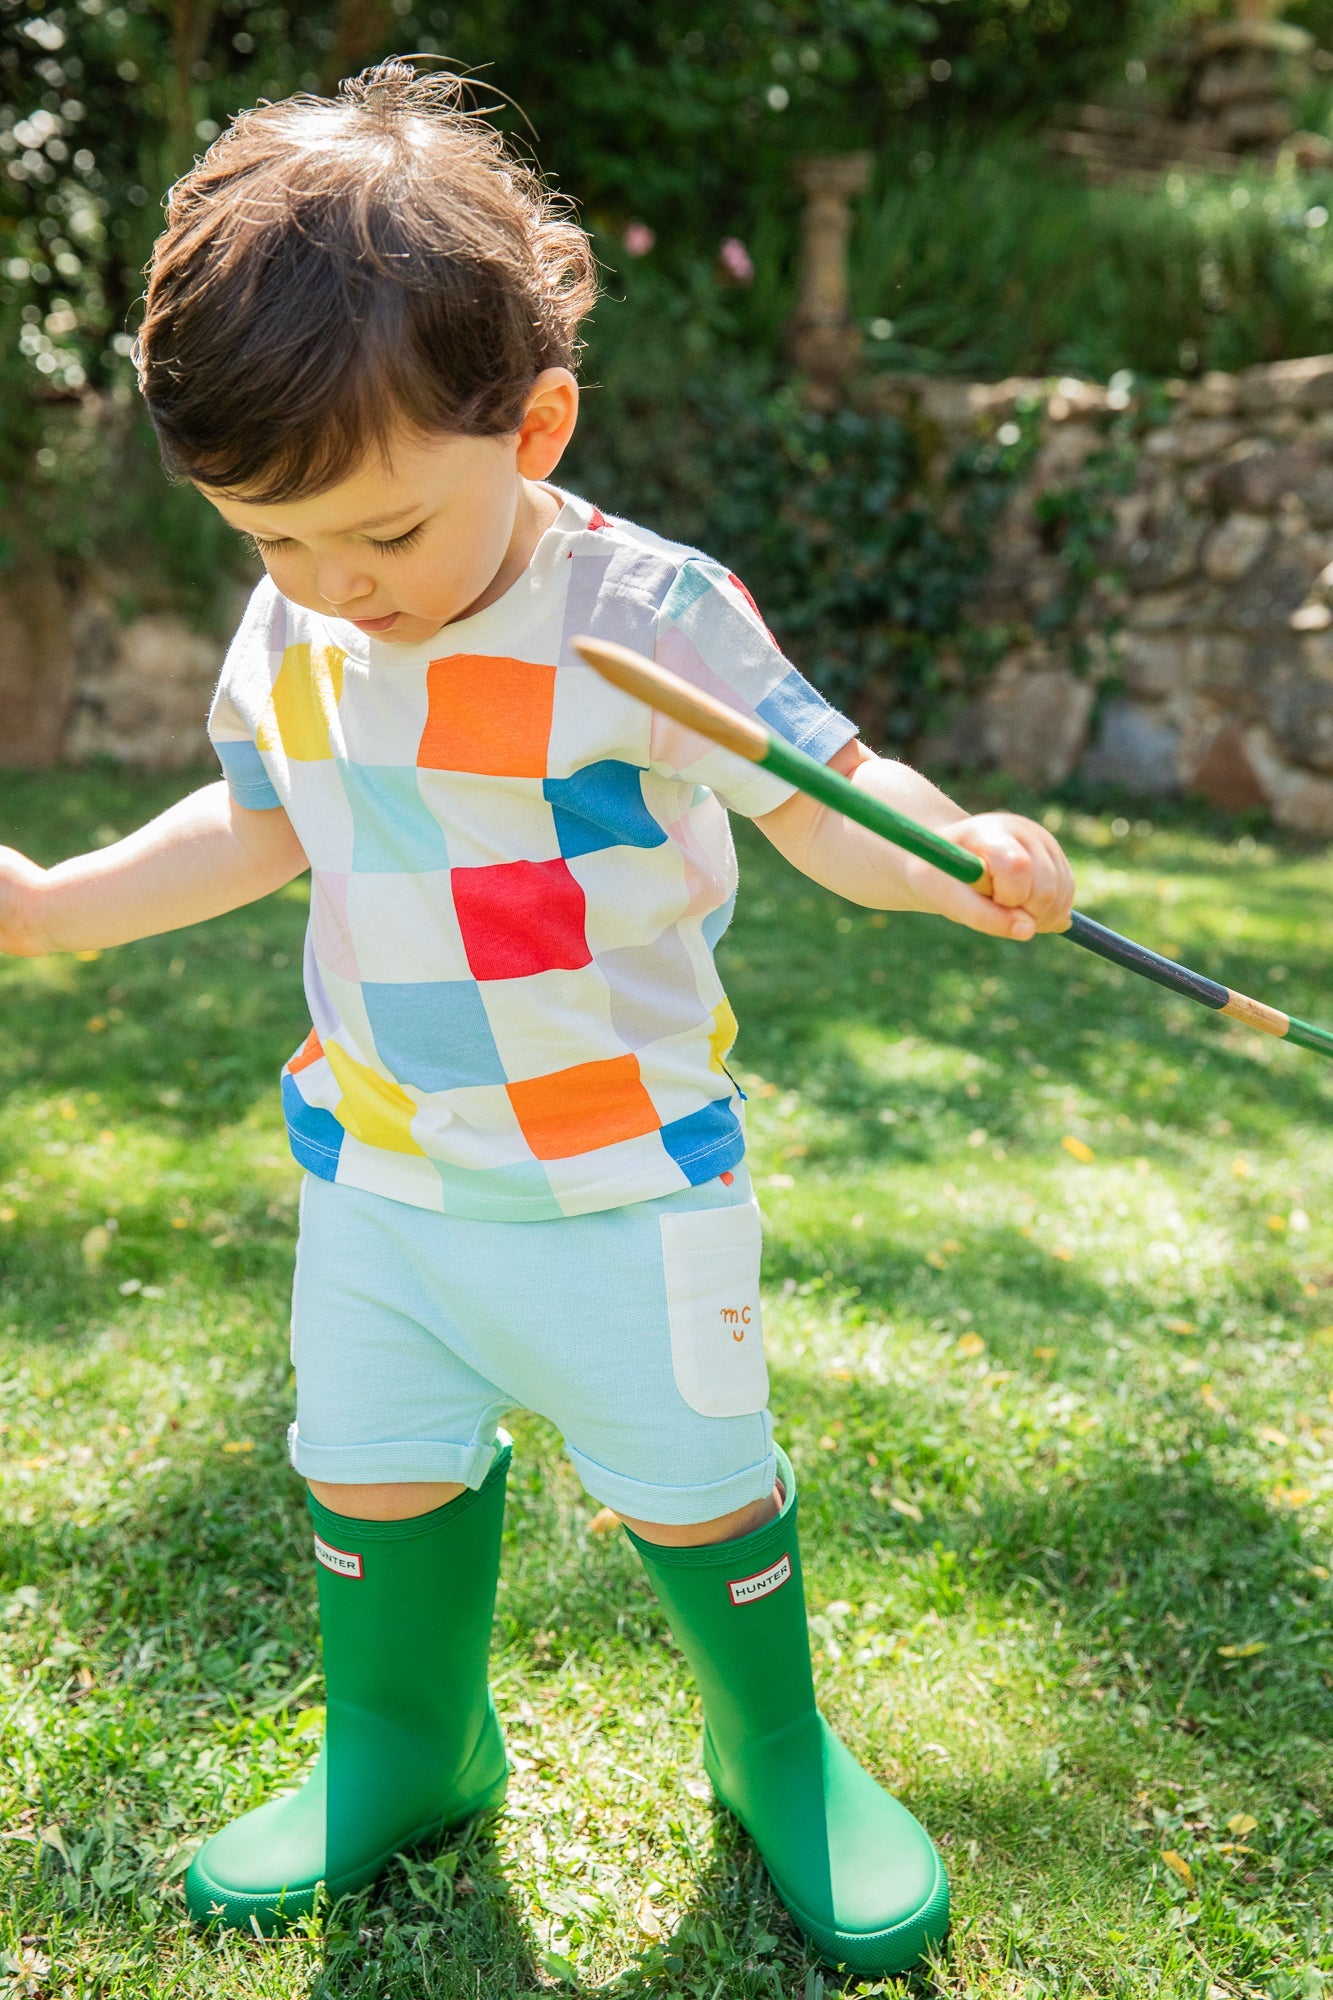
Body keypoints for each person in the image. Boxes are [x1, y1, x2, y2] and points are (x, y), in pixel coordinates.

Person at [0, 61, 1075, 1977]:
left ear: (537, 422)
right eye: (272, 539)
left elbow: (835, 796)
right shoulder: (308, 619)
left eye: (386, 536)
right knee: (369, 1466)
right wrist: (63, 911)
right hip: (383, 1174)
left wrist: (958, 852)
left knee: (694, 1486)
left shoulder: (644, 615)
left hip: (624, 1187)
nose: (338, 586)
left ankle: (776, 1751)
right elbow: (262, 816)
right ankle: (407, 1740)